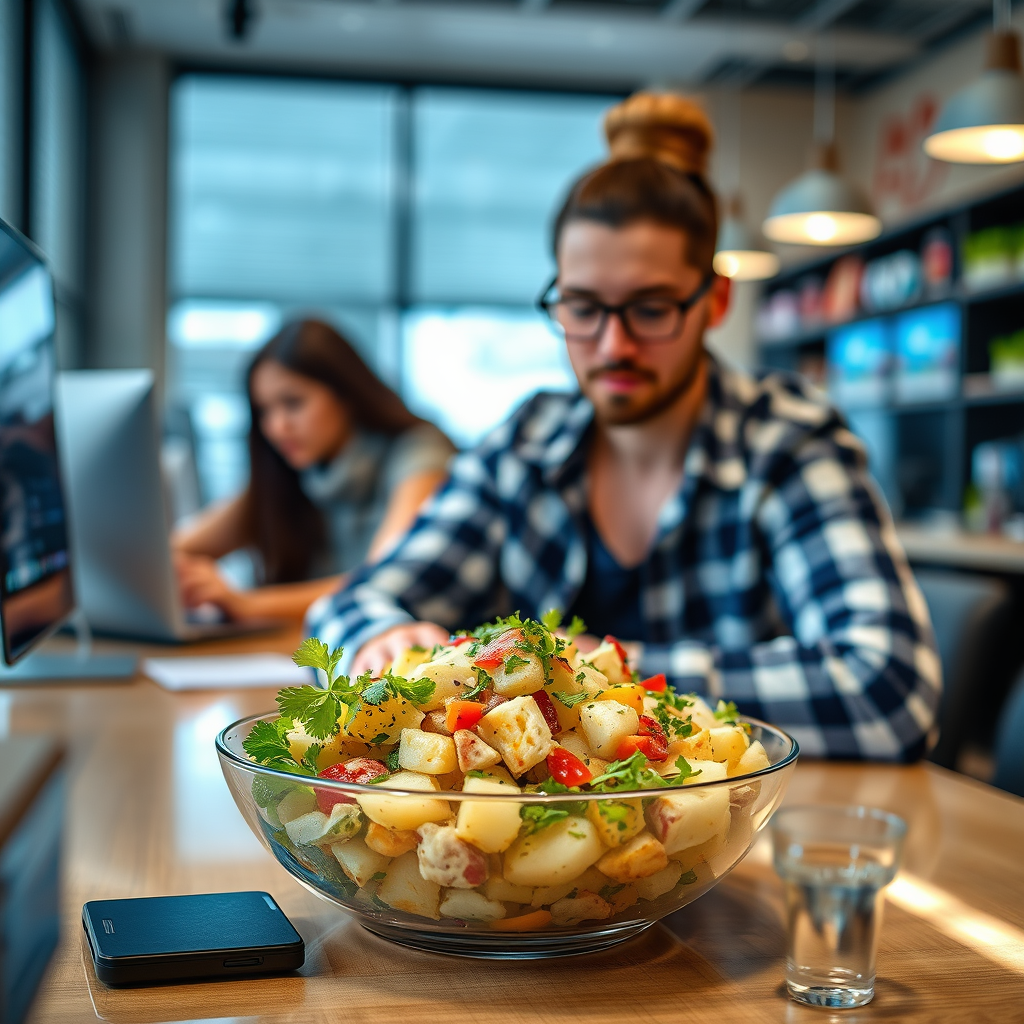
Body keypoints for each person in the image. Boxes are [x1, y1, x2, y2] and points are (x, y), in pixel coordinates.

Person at [307, 93, 940, 761]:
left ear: (715, 300)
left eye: (650, 308)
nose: (612, 345)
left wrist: (611, 669)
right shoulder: (523, 448)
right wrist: (384, 639)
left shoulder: (787, 442)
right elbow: (351, 606)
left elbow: (889, 690)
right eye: (582, 306)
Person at [172, 319, 456, 623]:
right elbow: (169, 553)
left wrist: (247, 604)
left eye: (293, 403)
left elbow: (385, 580)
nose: (277, 427)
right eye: (264, 411)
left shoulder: (421, 454)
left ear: (346, 393)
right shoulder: (290, 471)